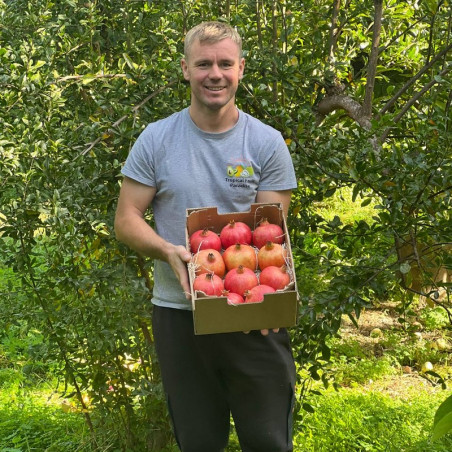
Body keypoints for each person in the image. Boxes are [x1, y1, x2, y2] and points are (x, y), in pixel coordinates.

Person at [114, 21, 297, 452]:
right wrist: (167, 251)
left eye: (225, 63)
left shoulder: (266, 143)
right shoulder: (156, 139)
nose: (215, 73)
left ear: (241, 68)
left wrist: (272, 294)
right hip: (181, 314)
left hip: (253, 316)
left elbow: (269, 239)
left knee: (270, 441)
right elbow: (126, 219)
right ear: (185, 69)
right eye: (203, 64)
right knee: (198, 442)